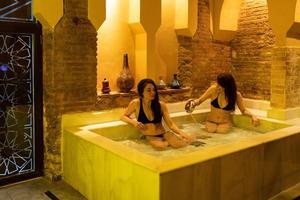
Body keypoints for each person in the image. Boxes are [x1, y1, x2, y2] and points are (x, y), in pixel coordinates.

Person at [121, 78, 193, 150]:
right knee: (162, 148)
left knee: (184, 145)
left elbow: (170, 124)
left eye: (153, 90)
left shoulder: (161, 105)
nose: (153, 92)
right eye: (149, 90)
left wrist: (181, 133)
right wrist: (134, 123)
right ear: (141, 92)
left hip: (165, 134)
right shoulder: (136, 104)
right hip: (151, 136)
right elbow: (123, 116)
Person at [185, 72, 259, 134]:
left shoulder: (236, 95)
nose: (217, 86)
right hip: (211, 121)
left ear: (227, 86)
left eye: (219, 85)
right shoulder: (213, 89)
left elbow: (243, 110)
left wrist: (253, 116)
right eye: (217, 84)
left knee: (221, 132)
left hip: (225, 123)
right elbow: (199, 100)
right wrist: (193, 103)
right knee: (211, 132)